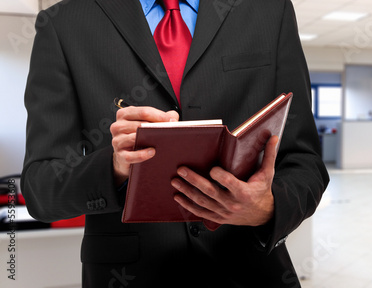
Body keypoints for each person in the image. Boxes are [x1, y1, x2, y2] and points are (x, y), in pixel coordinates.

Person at [22, 0, 329, 286]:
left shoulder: (269, 10)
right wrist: (113, 167)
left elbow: (306, 162)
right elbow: (41, 189)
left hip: (251, 271)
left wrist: (266, 208)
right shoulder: (64, 24)